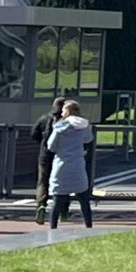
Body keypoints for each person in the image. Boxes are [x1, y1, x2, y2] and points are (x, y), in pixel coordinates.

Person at [44, 98, 96, 232]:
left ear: (67, 112)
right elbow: (88, 139)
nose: (61, 114)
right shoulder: (85, 125)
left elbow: (51, 146)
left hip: (61, 164)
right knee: (83, 199)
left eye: (63, 111)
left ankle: (53, 228)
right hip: (78, 164)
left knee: (57, 199)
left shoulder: (59, 127)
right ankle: (89, 226)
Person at [30, 95, 67, 224]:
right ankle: (63, 210)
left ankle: (41, 205)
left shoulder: (44, 118)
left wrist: (43, 142)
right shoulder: (67, 121)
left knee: (42, 182)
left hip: (45, 155)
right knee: (63, 183)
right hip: (62, 156)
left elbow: (34, 134)